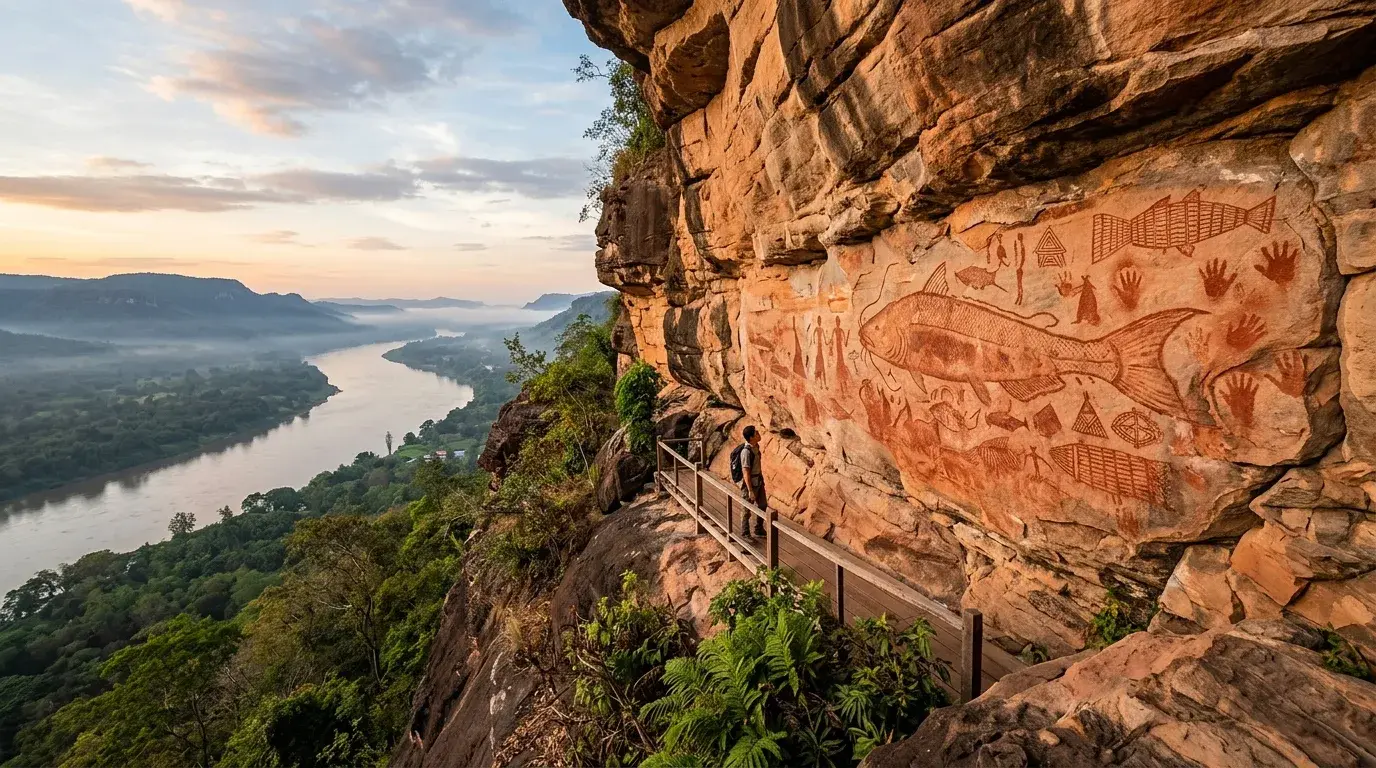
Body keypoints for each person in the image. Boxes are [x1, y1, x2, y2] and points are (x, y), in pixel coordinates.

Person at [738, 425, 767, 537]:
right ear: (751, 437)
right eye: (756, 433)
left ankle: (758, 528)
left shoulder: (756, 446)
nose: (758, 433)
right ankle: (745, 533)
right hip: (750, 484)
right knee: (746, 509)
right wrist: (750, 490)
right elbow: (746, 472)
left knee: (763, 505)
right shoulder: (746, 452)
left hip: (758, 481)